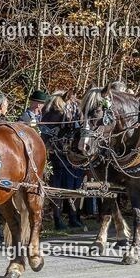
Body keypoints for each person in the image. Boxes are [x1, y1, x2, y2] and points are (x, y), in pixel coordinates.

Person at [42, 92, 86, 230]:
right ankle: (57, 217)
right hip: (57, 153)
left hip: (72, 153)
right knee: (58, 184)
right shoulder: (52, 110)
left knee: (75, 184)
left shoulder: (76, 116)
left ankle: (74, 216)